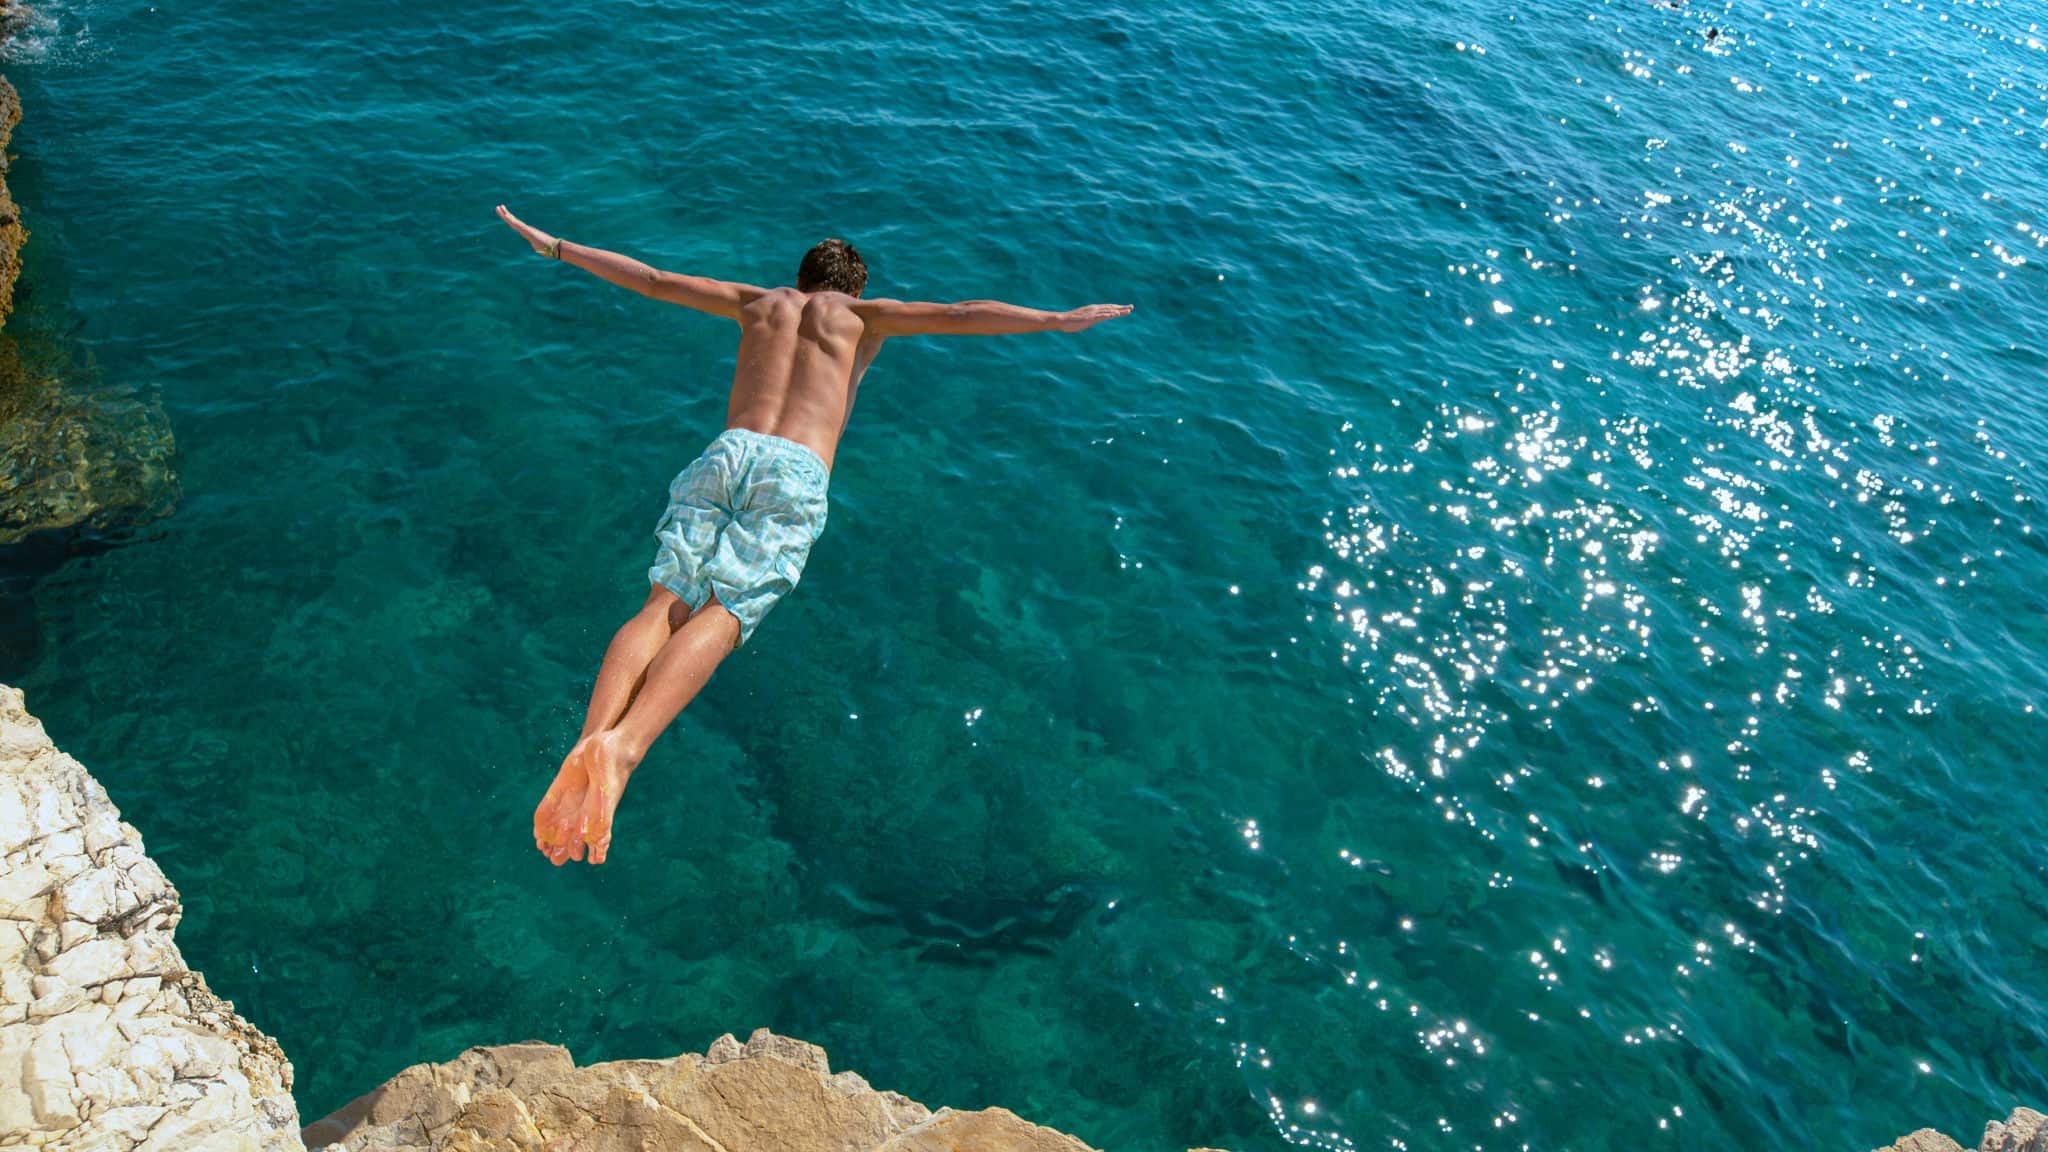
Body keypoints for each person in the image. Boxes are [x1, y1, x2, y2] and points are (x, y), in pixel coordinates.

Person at [495, 205, 1132, 866]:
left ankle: (591, 735)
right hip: (794, 469)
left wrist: (559, 247)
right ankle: (622, 752)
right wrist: (1057, 320)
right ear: (851, 290)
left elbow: (653, 278)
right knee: (727, 610)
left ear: (798, 282)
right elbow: (966, 312)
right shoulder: (862, 317)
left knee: (662, 604)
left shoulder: (758, 304)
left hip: (729, 450)